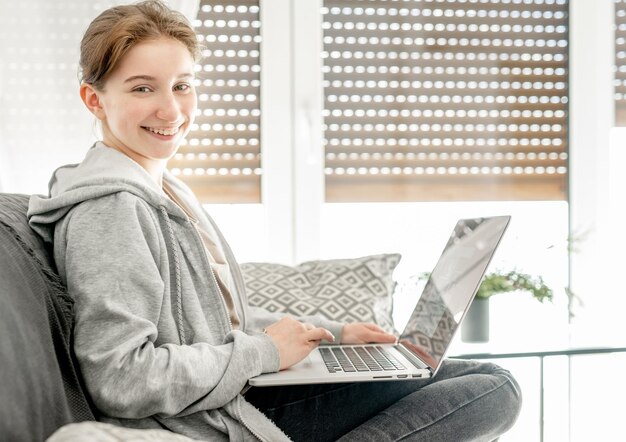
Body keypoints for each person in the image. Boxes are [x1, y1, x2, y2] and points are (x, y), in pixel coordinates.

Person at [28, 1, 522, 441]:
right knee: (495, 388)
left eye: (182, 85)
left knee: (465, 377)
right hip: (217, 416)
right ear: (94, 99)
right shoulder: (110, 210)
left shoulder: (163, 190)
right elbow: (121, 377)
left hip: (234, 393)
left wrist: (335, 333)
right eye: (142, 88)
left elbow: (212, 325)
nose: (171, 108)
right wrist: (266, 352)